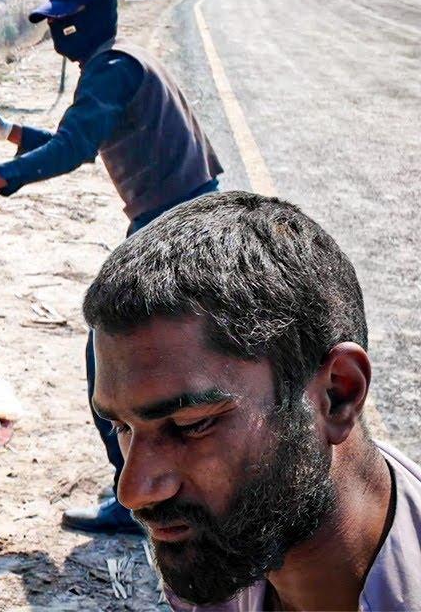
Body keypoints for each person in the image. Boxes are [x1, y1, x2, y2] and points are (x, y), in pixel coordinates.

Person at [0, 0, 224, 533]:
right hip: (190, 210)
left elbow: (71, 152)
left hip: (169, 221)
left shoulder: (108, 70)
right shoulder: (121, 61)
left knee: (109, 362)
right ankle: (176, 482)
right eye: (51, 21)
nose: (56, 30)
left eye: (64, 21)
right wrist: (7, 130)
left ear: (88, 21)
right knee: (170, 361)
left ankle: (135, 500)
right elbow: (78, 141)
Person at [84, 191, 420, 611]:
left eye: (192, 425)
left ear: (338, 395)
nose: (133, 492)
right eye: (123, 428)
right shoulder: (229, 546)